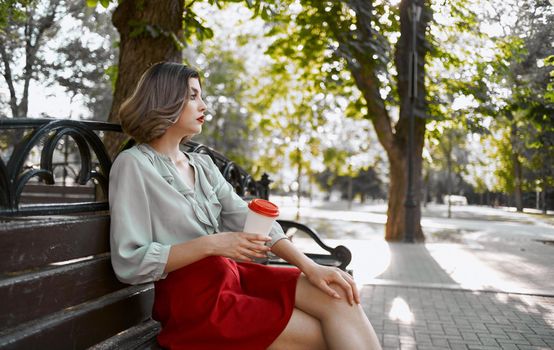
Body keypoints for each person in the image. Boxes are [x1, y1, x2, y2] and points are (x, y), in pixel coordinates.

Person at [109, 61, 382, 350]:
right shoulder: (134, 165)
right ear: (164, 99)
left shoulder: (202, 165)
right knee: (325, 334)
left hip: (234, 277)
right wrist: (213, 244)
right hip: (196, 302)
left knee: (337, 292)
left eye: (201, 95)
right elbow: (129, 262)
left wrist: (310, 266)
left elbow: (243, 215)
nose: (204, 105)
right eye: (192, 96)